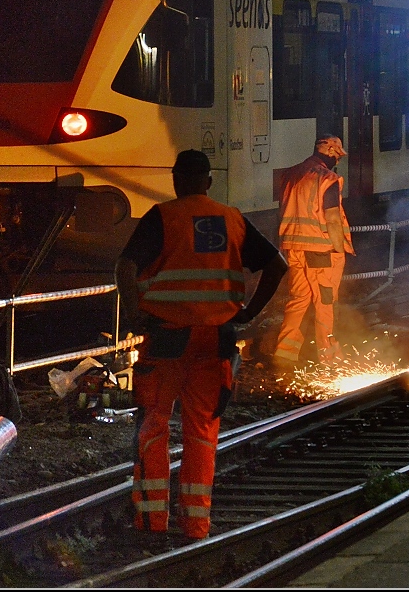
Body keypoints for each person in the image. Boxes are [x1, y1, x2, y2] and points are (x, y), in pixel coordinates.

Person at [115, 149, 287, 540]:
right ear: (209, 181)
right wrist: (249, 313)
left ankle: (150, 522)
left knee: (153, 428)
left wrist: (135, 314)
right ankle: (195, 526)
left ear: (176, 180)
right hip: (216, 343)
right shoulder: (233, 219)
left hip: (166, 340)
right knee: (203, 432)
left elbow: (124, 267)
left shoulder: (162, 217)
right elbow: (277, 265)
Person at [272, 134, 355, 369]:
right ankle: (328, 358)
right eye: (337, 156)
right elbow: (331, 218)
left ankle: (285, 353)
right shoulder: (327, 178)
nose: (338, 161)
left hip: (292, 248)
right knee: (325, 303)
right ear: (329, 152)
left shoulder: (291, 174)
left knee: (298, 299)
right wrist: (339, 249)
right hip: (320, 250)